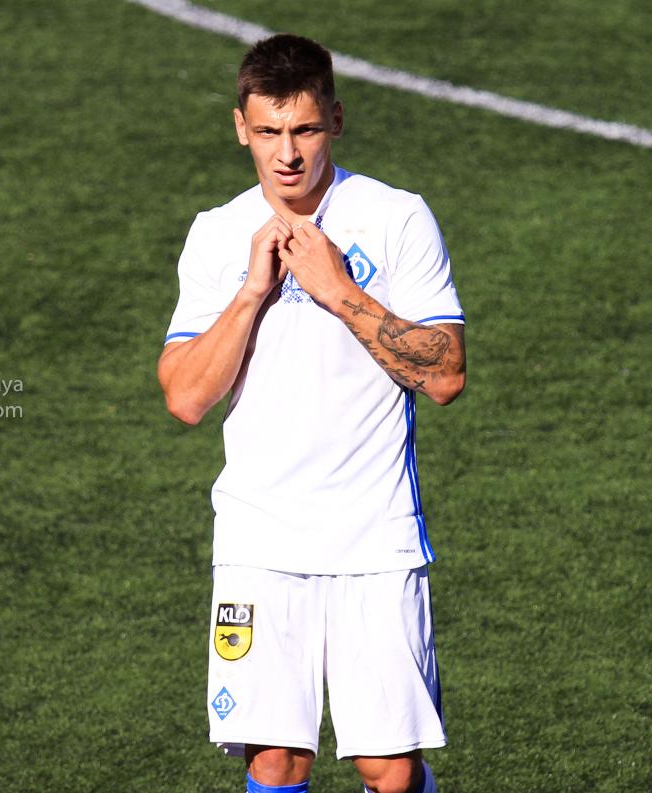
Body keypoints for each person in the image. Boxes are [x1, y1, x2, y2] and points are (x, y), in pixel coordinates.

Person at [157, 33, 466, 793]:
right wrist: (249, 294)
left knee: (389, 769)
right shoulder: (217, 233)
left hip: (375, 536)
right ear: (241, 127)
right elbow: (186, 396)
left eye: (304, 129)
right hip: (259, 538)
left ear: (336, 119)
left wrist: (339, 291)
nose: (287, 153)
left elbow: (445, 374)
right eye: (269, 132)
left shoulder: (396, 218)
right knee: (274, 759)